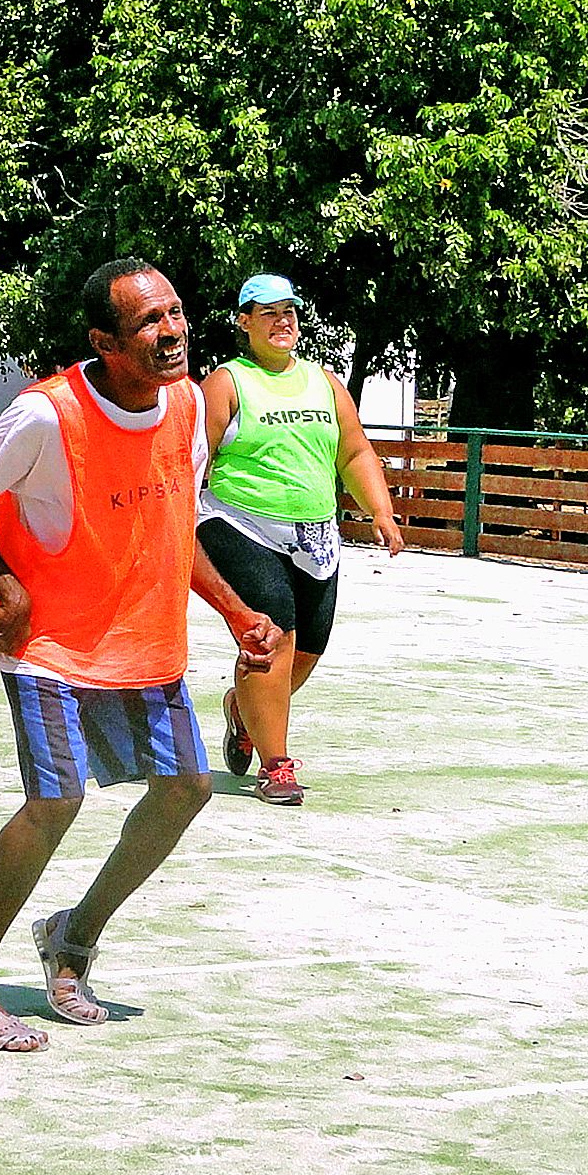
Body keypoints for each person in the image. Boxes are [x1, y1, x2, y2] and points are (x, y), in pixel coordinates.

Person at [0, 259, 281, 1051]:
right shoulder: (46, 415)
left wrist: (233, 611)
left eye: (176, 313)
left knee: (187, 788)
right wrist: (7, 590)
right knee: (56, 800)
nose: (172, 332)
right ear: (103, 341)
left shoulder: (187, 405)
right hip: (49, 642)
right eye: (149, 322)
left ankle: (72, 935)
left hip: (143, 638)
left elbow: (172, 526)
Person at [195, 273, 404, 805]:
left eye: (288, 311)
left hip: (315, 533)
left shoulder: (325, 382)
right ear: (244, 323)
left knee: (307, 651)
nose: (283, 321)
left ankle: (243, 709)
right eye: (268, 313)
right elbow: (197, 457)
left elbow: (354, 452)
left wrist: (380, 510)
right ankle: (276, 766)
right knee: (273, 636)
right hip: (239, 522)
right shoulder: (227, 382)